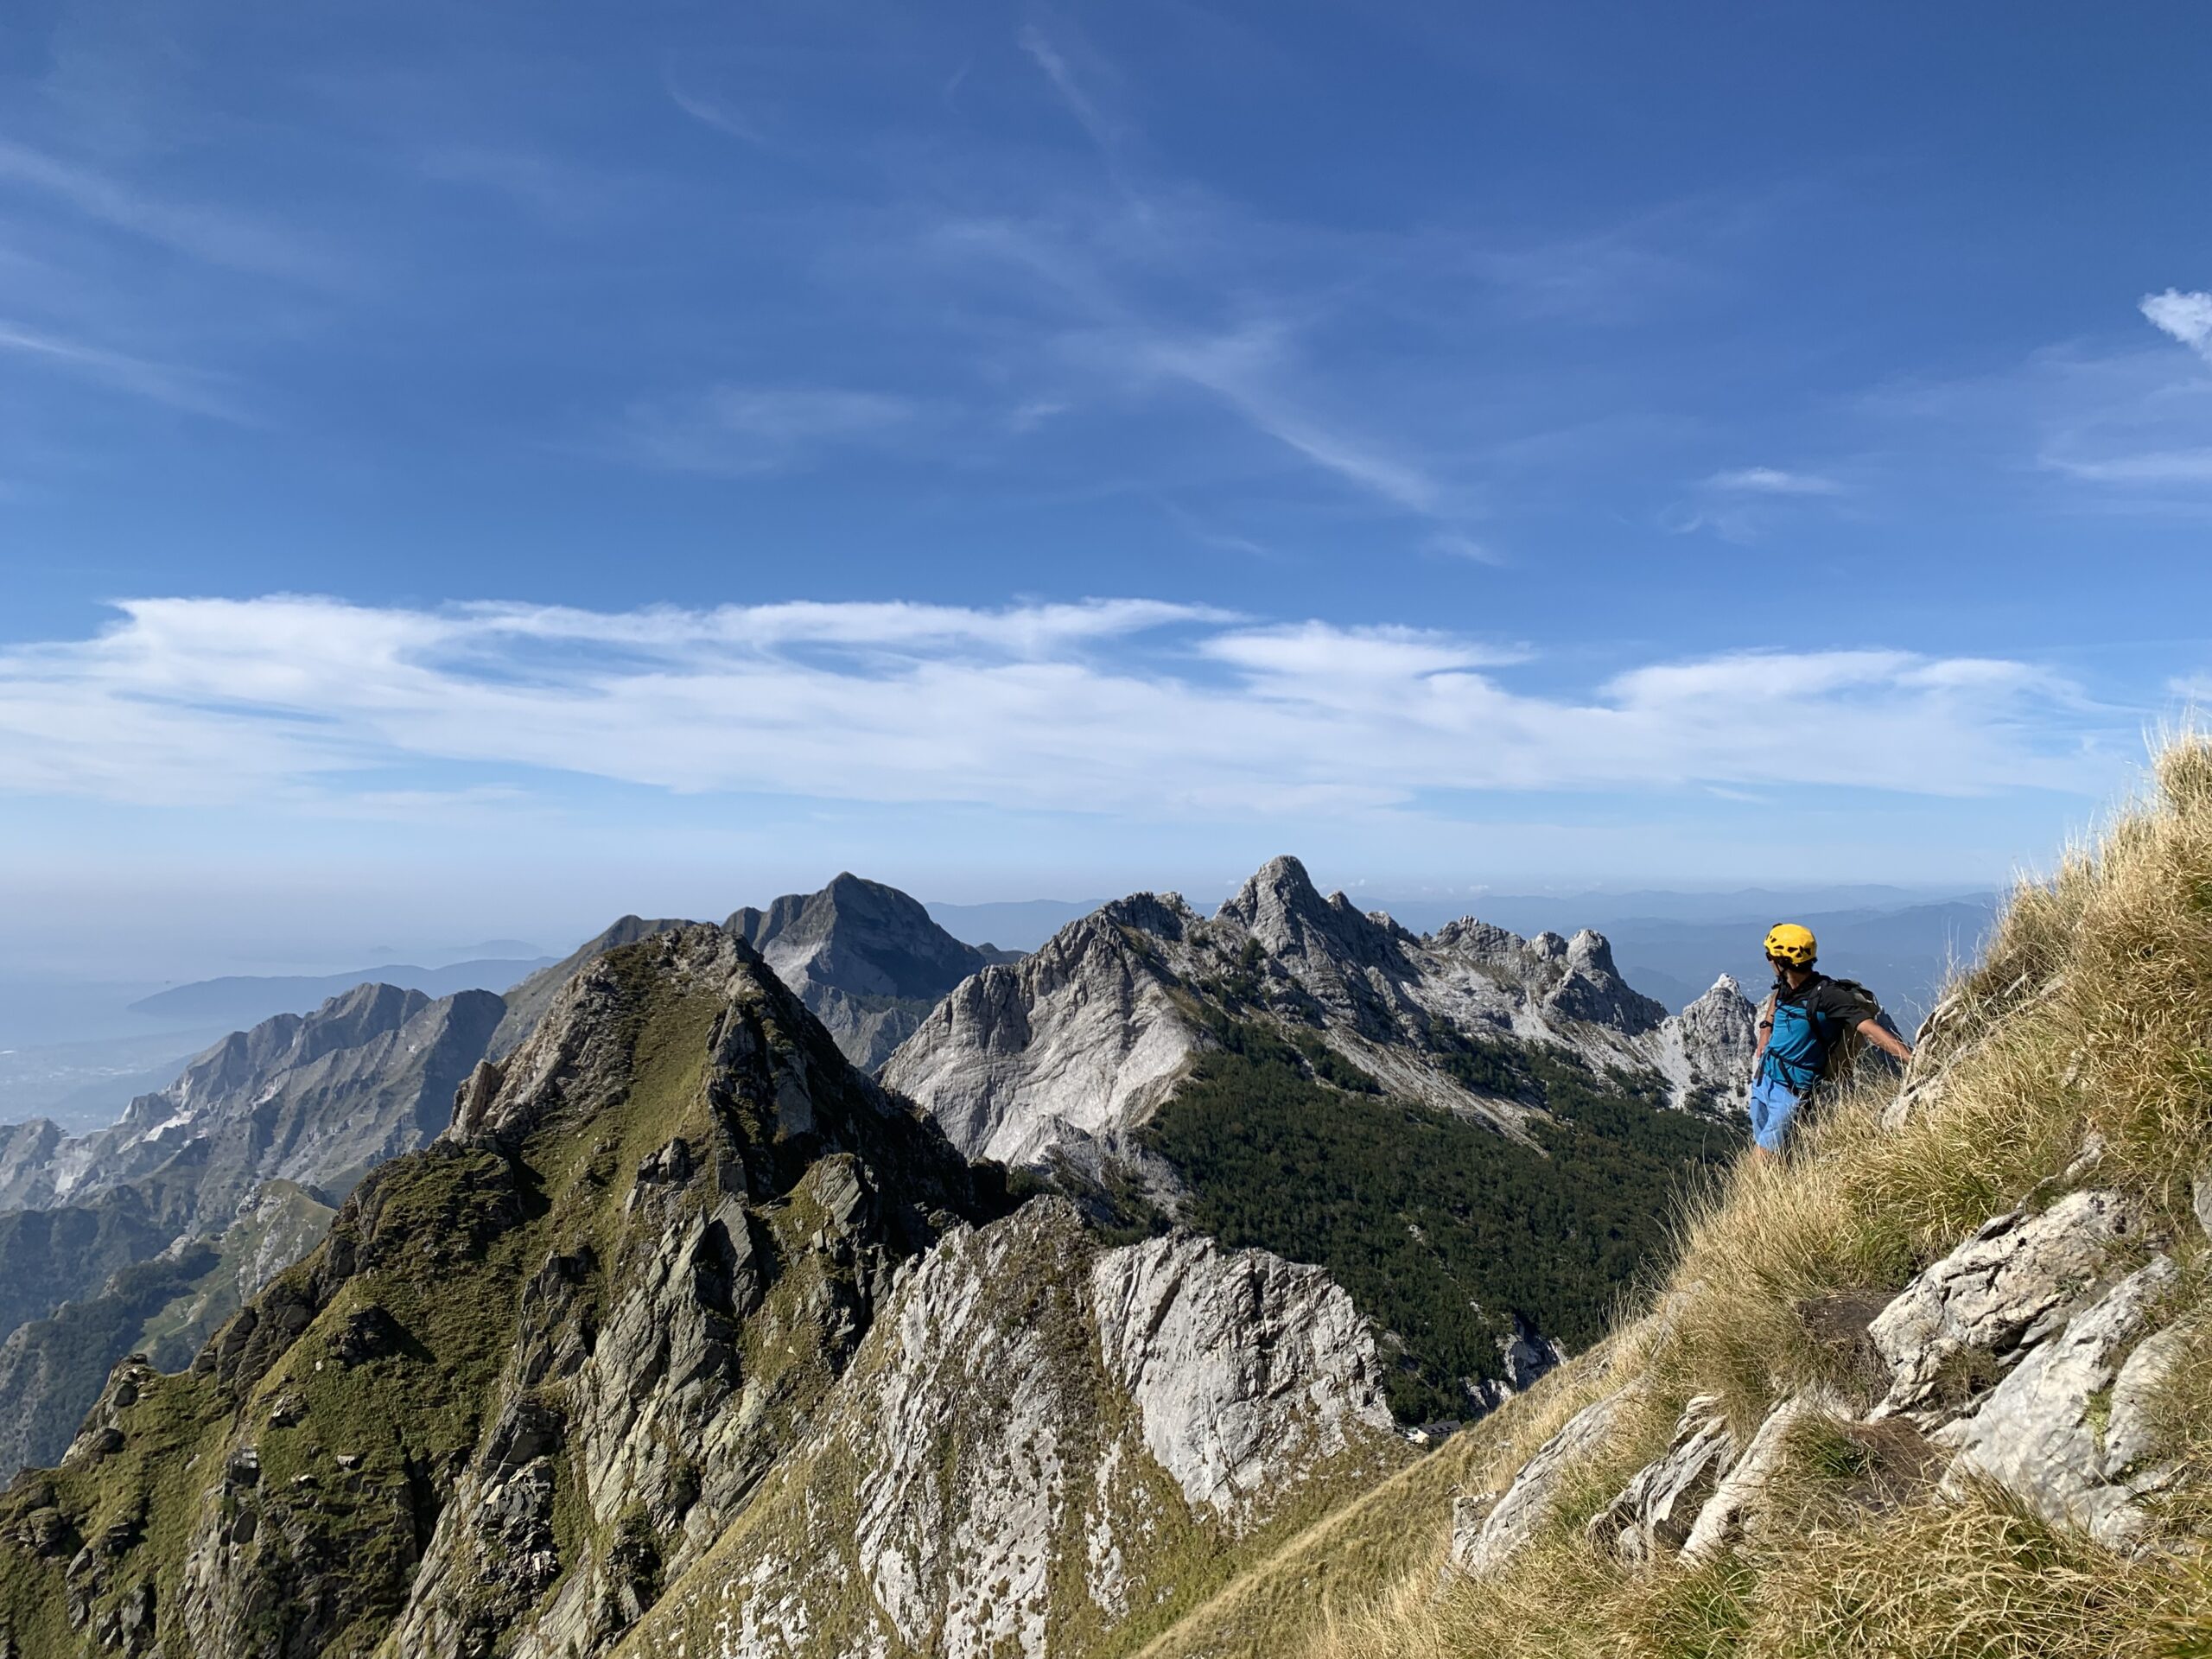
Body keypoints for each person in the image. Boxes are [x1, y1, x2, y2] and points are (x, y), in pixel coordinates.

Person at [1746, 923, 1913, 1160]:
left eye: (1769, 956)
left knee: (1762, 1158)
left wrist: (1911, 1058)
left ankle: (1757, 1194)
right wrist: (1766, 1029)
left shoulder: (1827, 995)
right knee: (1773, 1151)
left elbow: (1868, 1027)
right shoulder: (1788, 983)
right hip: (1765, 1079)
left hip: (1792, 1092)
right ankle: (1784, 1185)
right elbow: (1777, 996)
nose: (1768, 961)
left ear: (1781, 962)